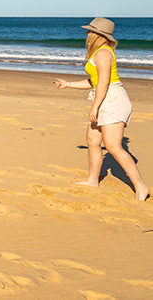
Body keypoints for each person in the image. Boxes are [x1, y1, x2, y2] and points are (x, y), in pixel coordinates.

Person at [54, 17, 149, 201]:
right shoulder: (97, 52)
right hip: (104, 96)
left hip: (111, 99)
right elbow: (94, 82)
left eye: (89, 30)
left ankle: (141, 186)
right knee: (92, 140)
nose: (86, 33)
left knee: (113, 146)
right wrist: (68, 84)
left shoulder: (103, 53)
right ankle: (92, 180)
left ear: (98, 34)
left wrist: (95, 108)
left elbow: (104, 82)